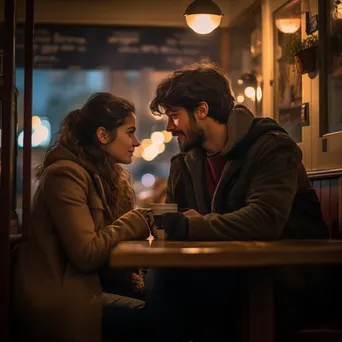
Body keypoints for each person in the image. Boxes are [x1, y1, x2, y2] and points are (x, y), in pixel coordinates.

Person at [145, 63, 330, 341]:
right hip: (224, 274)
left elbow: (264, 219)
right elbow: (175, 227)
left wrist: (190, 226)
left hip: (284, 278)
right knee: (164, 279)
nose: (170, 127)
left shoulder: (272, 146)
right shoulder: (184, 164)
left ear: (202, 110)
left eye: (174, 116)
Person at [11, 93, 154, 342]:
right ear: (102, 135)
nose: (137, 141)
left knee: (172, 304)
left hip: (94, 286)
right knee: (160, 319)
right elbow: (86, 253)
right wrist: (136, 220)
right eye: (130, 132)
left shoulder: (106, 176)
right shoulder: (65, 175)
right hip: (61, 299)